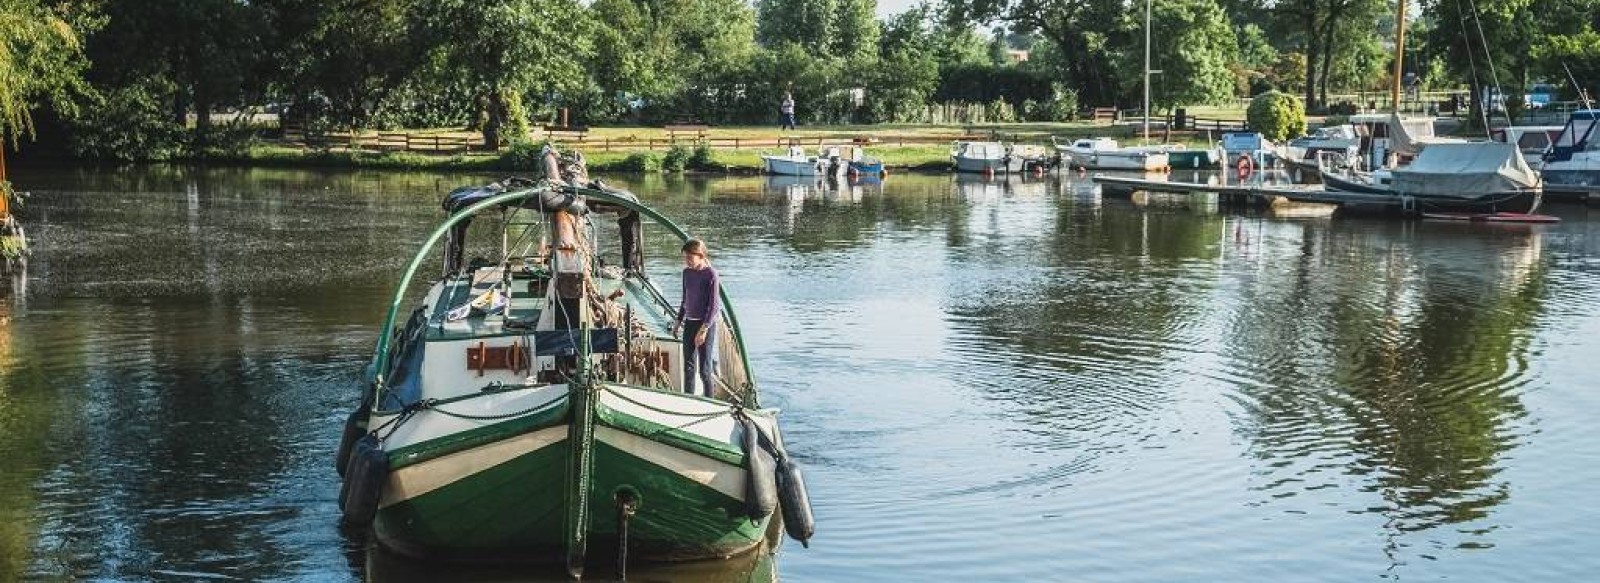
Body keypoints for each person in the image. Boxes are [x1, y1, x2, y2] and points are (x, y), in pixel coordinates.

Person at [673, 239, 721, 397]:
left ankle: (710, 402)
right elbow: (684, 299)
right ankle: (689, 399)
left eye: (689, 257)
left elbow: (714, 307)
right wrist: (678, 321)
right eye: (685, 257)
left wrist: (704, 329)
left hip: (705, 325)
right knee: (688, 366)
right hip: (690, 323)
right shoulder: (686, 273)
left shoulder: (710, 274)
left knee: (705, 369)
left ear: (700, 255)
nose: (686, 261)